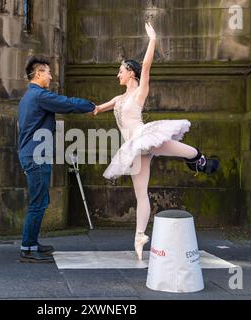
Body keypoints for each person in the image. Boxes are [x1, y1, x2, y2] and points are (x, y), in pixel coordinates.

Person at [93, 23, 219, 260]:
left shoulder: (140, 91)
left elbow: (147, 66)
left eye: (121, 70)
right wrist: (89, 108)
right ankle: (139, 236)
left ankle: (199, 160)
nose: (118, 74)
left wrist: (153, 40)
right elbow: (98, 108)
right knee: (141, 194)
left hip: (144, 137)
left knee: (185, 151)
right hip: (134, 148)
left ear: (131, 71)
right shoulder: (118, 98)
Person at [18, 57, 95, 263]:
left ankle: (32, 243)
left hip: (32, 154)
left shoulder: (28, 96)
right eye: (49, 73)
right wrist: (90, 106)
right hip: (36, 156)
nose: (51, 77)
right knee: (38, 203)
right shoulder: (39, 95)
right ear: (39, 74)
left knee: (40, 201)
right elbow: (67, 104)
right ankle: (27, 249)